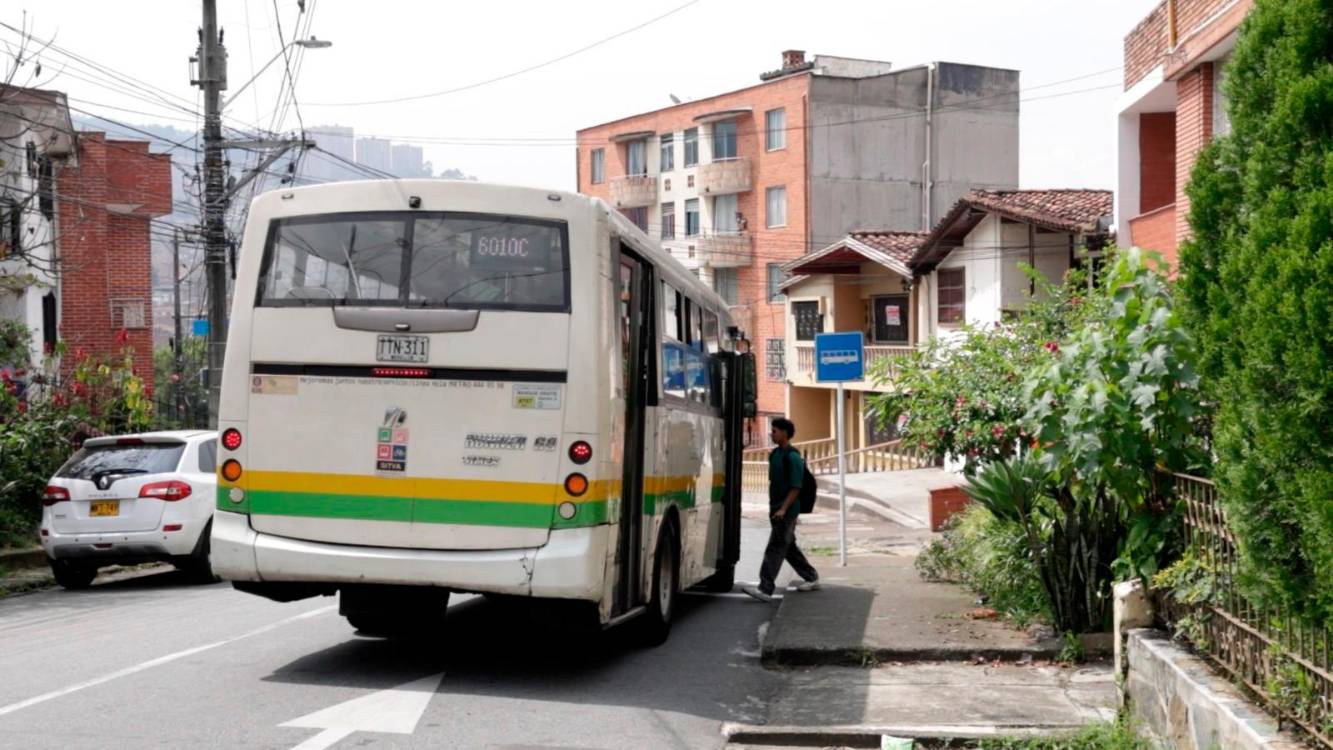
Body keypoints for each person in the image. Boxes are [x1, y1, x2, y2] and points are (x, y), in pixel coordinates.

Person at [742, 417, 819, 602]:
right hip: (775, 508)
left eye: (774, 431)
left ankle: (765, 588)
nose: (771, 434)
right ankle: (811, 577)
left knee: (775, 548)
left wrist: (784, 509)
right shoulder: (775, 454)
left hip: (786, 511)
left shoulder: (791, 457)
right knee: (788, 547)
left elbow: (795, 487)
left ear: (784, 433)